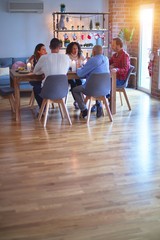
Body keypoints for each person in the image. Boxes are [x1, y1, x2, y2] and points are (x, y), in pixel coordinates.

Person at [72, 45, 110, 118]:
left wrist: (78, 68)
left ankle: (84, 109)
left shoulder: (93, 60)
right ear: (102, 51)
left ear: (94, 52)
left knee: (75, 90)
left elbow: (81, 74)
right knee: (96, 84)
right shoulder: (106, 59)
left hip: (91, 89)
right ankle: (98, 104)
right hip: (104, 89)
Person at [33, 38, 70, 108]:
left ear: (49, 47)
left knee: (36, 89)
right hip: (63, 91)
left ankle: (43, 109)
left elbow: (35, 72)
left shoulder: (44, 58)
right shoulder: (66, 57)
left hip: (48, 91)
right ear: (60, 47)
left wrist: (44, 71)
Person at [66, 42, 86, 109]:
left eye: (76, 48)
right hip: (69, 75)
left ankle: (79, 100)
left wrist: (82, 64)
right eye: (73, 49)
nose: (75, 50)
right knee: (73, 83)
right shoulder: (67, 56)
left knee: (79, 82)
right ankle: (77, 101)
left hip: (78, 74)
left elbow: (85, 63)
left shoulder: (80, 55)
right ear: (70, 49)